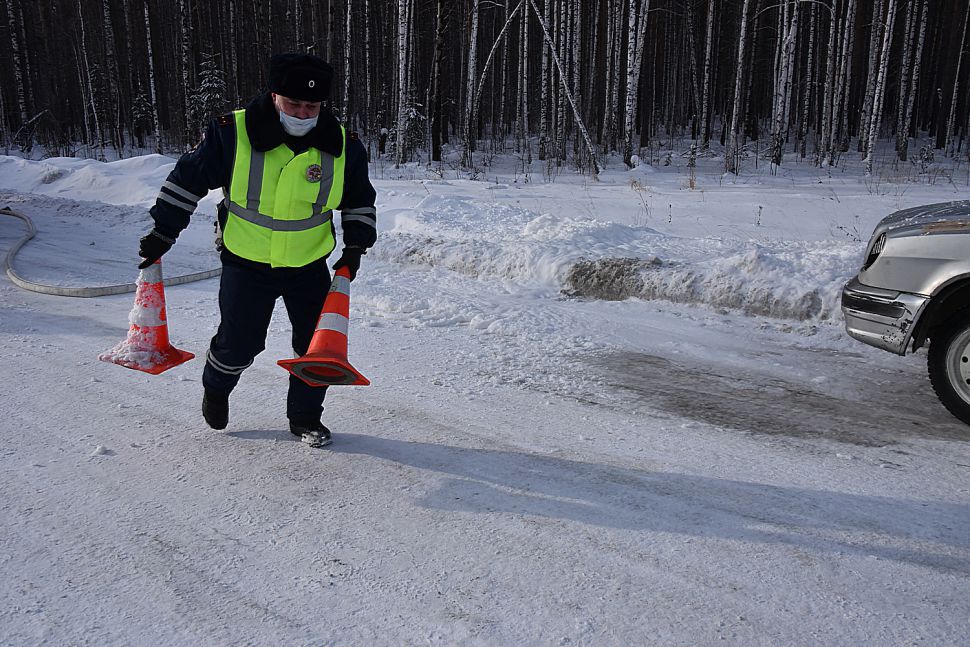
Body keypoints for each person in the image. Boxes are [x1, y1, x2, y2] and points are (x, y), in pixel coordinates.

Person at [137, 53, 377, 446]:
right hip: (245, 263)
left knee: (315, 348)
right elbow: (187, 180)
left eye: (312, 106)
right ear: (274, 95)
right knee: (239, 343)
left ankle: (305, 417)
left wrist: (355, 246)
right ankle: (216, 388)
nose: (303, 113)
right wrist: (164, 232)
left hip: (308, 265)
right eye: (293, 103)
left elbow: (360, 200)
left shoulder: (342, 145)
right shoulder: (233, 133)